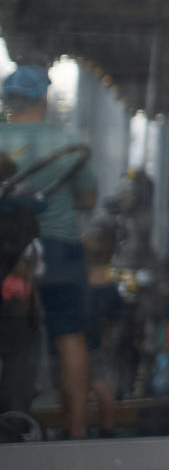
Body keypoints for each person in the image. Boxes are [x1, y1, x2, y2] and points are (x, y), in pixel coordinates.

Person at [0, 65, 101, 439]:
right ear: (43, 99)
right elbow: (89, 198)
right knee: (70, 334)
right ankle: (76, 428)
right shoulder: (63, 140)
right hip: (58, 247)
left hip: (5, 252)